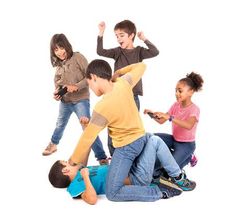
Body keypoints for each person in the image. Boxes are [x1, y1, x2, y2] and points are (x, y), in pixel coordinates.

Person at [66, 60, 195, 202]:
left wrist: (73, 160)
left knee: (112, 193)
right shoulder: (123, 83)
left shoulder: (102, 107)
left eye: (89, 83)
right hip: (142, 138)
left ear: (94, 77)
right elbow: (141, 66)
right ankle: (178, 177)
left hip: (127, 147)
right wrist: (119, 73)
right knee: (154, 140)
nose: (90, 88)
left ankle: (158, 192)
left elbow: (87, 138)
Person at [49, 133, 196, 204]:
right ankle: (168, 181)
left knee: (153, 139)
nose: (71, 162)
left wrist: (87, 129)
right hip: (137, 178)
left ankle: (177, 175)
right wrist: (86, 176)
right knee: (155, 141)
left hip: (133, 169)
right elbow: (92, 199)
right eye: (67, 163)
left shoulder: (83, 169)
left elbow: (86, 146)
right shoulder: (75, 185)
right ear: (65, 170)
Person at [42, 34, 108, 165]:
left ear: (67, 46)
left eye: (61, 48)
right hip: (65, 102)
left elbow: (90, 77)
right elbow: (58, 84)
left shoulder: (78, 57)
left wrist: (76, 86)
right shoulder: (59, 66)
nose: (59, 52)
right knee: (60, 124)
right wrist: (57, 93)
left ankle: (102, 157)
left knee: (88, 128)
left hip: (81, 100)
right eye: (56, 50)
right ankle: (53, 144)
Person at [97, 20, 159, 155]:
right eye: (116, 36)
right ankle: (113, 157)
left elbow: (155, 52)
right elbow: (100, 51)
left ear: (131, 36)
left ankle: (131, 157)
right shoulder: (117, 52)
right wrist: (101, 33)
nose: (118, 38)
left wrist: (144, 39)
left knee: (131, 130)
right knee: (114, 127)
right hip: (116, 96)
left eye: (121, 35)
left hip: (133, 96)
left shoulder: (139, 52)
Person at [144, 72, 204, 175]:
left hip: (186, 144)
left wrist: (170, 117)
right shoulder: (175, 105)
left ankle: (189, 156)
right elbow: (162, 121)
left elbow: (189, 125)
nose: (177, 93)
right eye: (175, 91)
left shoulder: (194, 109)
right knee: (151, 138)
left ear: (191, 92)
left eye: (180, 91)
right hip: (174, 139)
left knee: (170, 170)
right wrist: (152, 114)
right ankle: (173, 155)